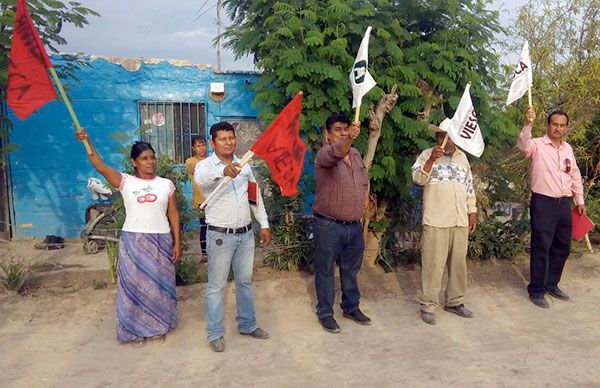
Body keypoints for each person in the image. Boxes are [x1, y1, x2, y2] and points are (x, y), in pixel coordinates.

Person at [76, 129, 181, 347]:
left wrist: (177, 241)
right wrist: (87, 142)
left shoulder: (166, 185)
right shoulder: (125, 182)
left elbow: (173, 214)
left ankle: (157, 327)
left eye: (152, 157)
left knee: (158, 287)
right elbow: (100, 166)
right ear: (134, 162)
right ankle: (134, 331)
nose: (150, 162)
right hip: (133, 241)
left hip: (161, 240)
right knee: (134, 288)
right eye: (144, 159)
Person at [195, 121, 272, 352]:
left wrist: (264, 224)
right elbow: (202, 180)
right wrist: (223, 171)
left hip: (246, 234)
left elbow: (254, 196)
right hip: (220, 236)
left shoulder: (244, 165)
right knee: (217, 286)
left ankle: (247, 324)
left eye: (231, 138)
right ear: (212, 142)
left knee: (245, 282)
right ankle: (215, 334)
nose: (228, 142)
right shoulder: (205, 165)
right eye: (222, 139)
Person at [518, 107, 585, 308]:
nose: (558, 128)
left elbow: (574, 175)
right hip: (543, 202)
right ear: (548, 125)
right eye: (554, 124)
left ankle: (551, 284)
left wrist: (579, 200)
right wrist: (528, 124)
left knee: (562, 247)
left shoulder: (568, 149)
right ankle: (537, 290)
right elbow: (522, 147)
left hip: (564, 203)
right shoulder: (537, 145)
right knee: (541, 246)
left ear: (566, 128)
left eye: (562, 125)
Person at [412, 118, 477, 325]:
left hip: (459, 220)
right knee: (433, 265)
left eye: (448, 137)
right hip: (436, 220)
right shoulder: (425, 155)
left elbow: (469, 187)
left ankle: (454, 301)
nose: (444, 141)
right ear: (436, 138)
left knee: (458, 264)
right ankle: (428, 304)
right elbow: (418, 179)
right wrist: (432, 159)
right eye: (441, 136)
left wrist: (472, 211)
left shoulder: (462, 158)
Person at [313, 113, 371, 333]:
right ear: (328, 135)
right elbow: (337, 152)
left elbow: (363, 179)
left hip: (354, 226)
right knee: (326, 270)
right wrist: (348, 140)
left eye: (346, 129)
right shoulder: (324, 154)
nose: (343, 133)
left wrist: (364, 196)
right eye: (338, 130)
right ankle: (326, 313)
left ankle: (350, 307)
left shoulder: (355, 154)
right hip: (329, 225)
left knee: (350, 270)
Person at [185, 136, 208, 258]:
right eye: (198, 146)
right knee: (204, 227)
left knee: (215, 228)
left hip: (214, 199)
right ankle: (204, 254)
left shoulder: (211, 160)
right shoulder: (190, 161)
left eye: (203, 145)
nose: (202, 148)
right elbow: (195, 171)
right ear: (194, 148)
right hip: (200, 201)